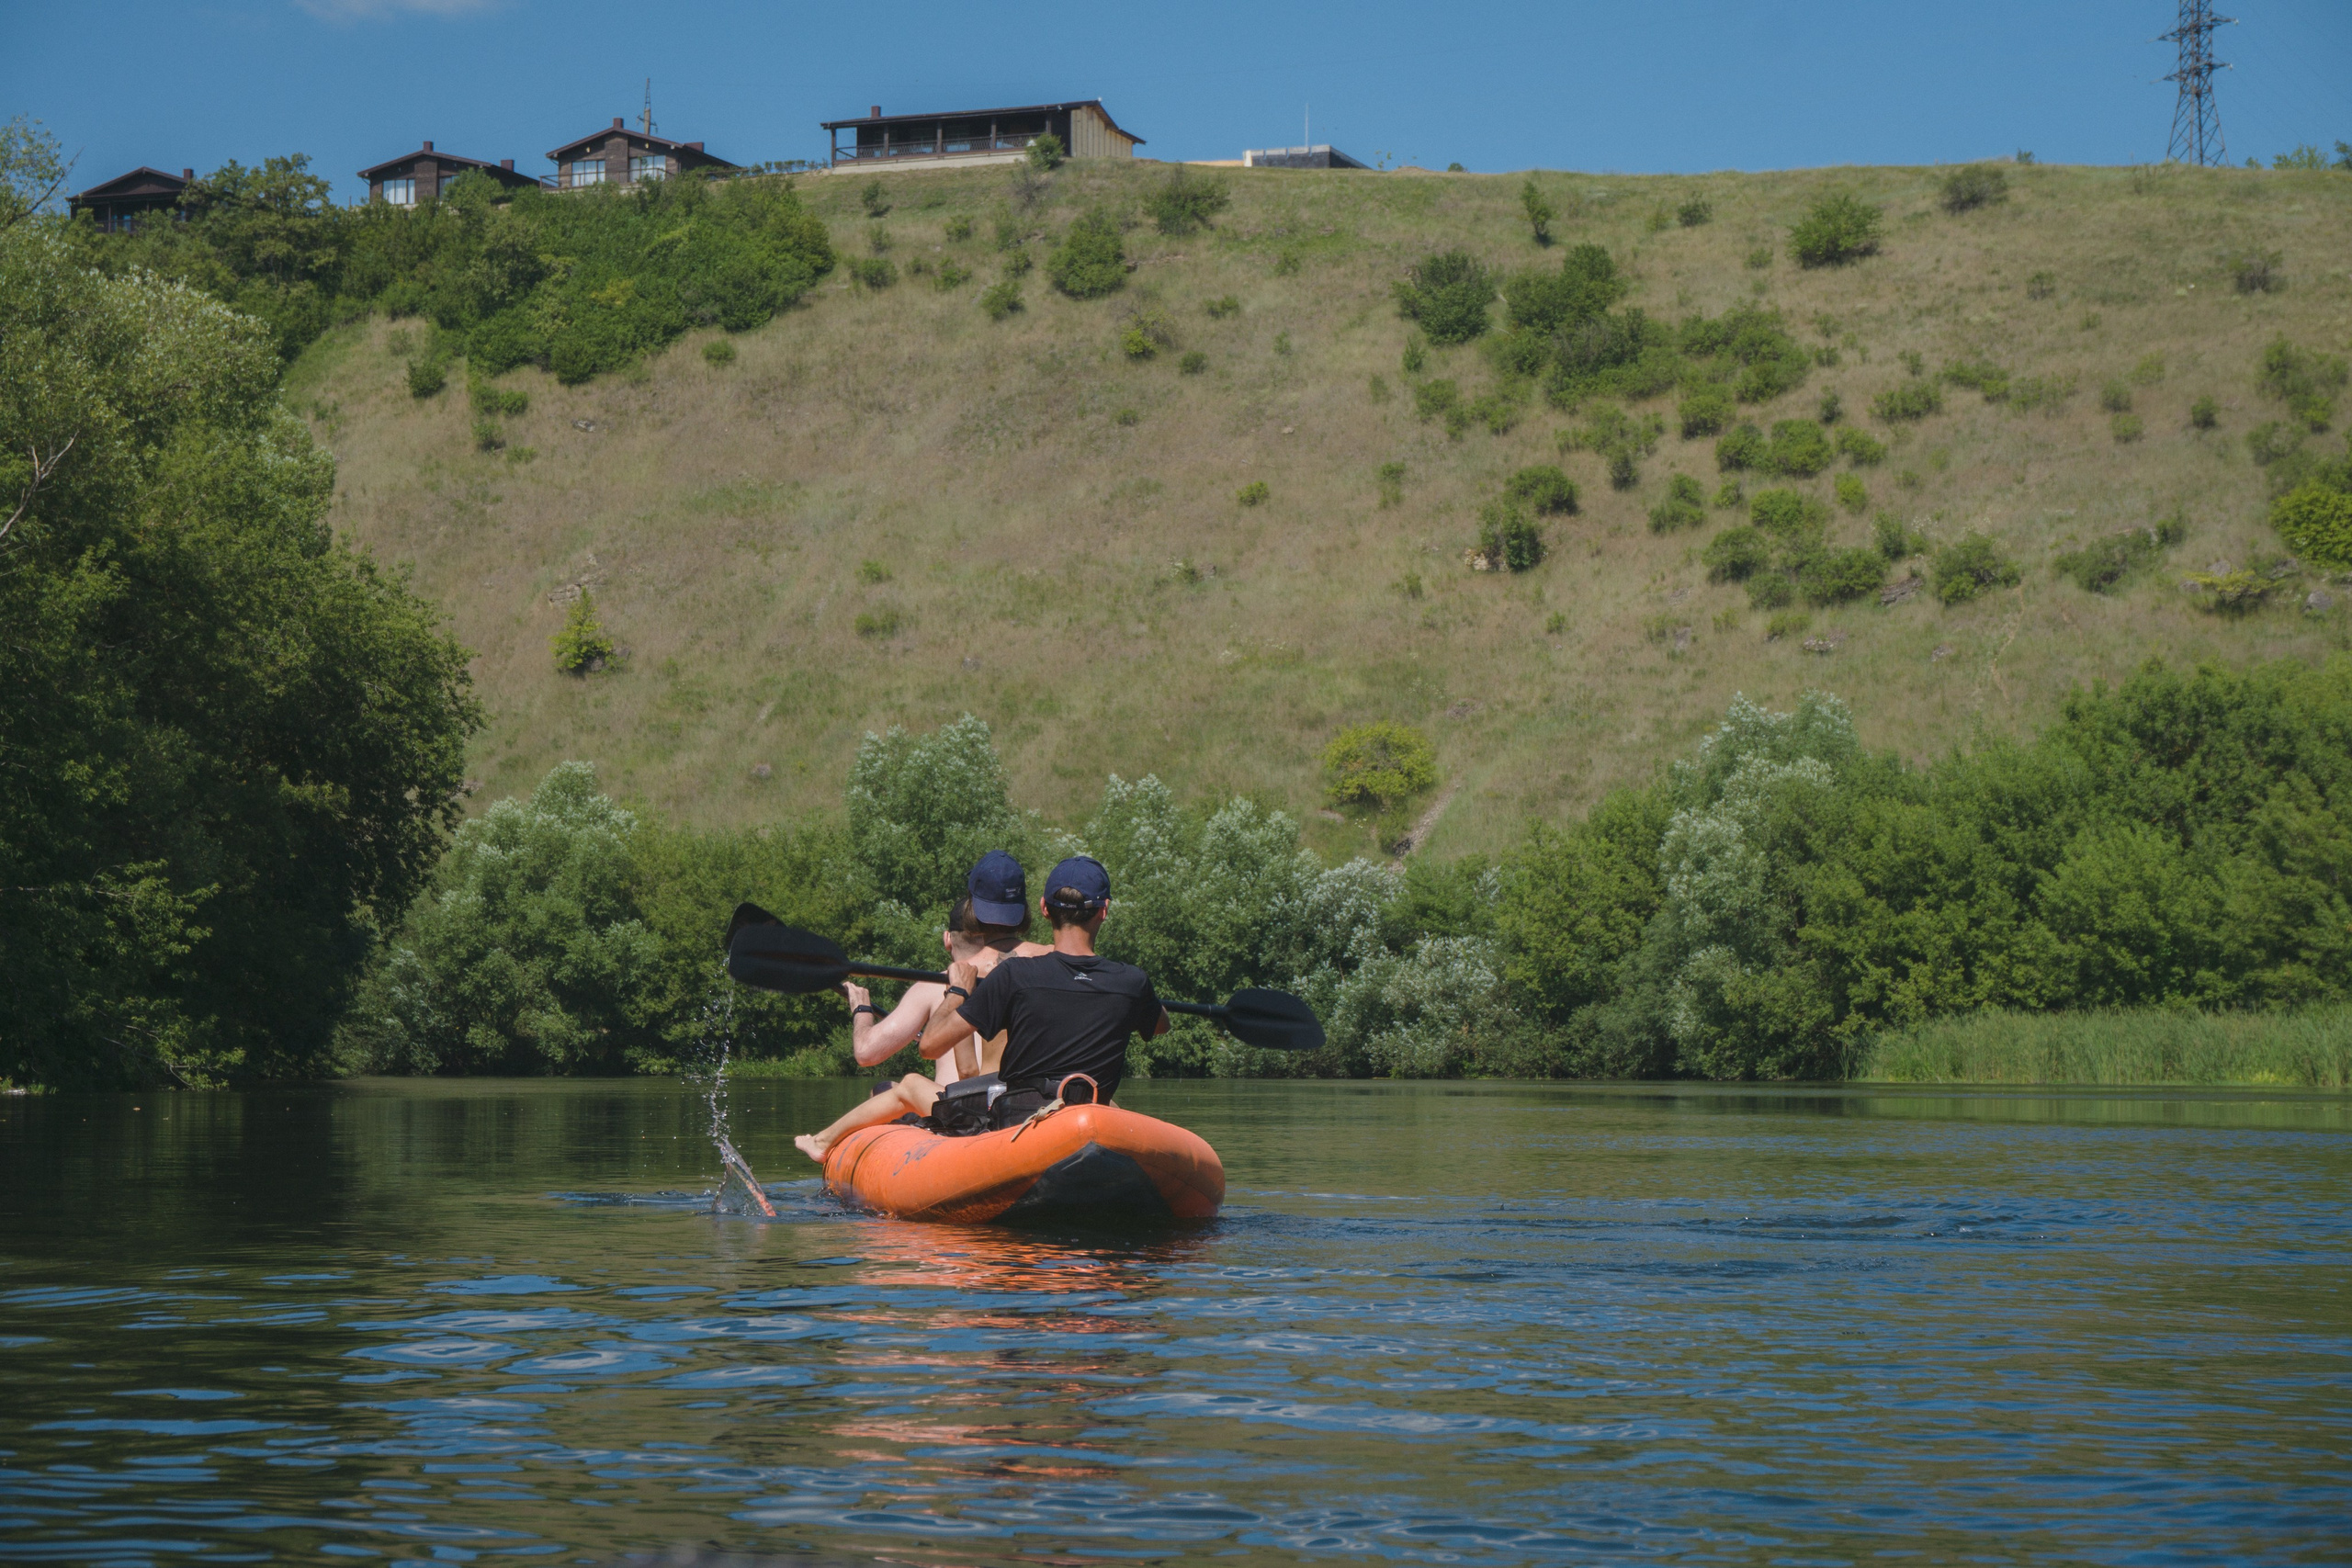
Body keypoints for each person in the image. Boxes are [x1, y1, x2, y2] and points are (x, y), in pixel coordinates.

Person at [793, 853, 1047, 1163]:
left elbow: (870, 1054)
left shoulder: (955, 983)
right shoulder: (1054, 964)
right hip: (1039, 1103)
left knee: (898, 1086)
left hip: (985, 1109)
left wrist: (863, 1009)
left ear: (952, 935)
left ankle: (822, 1141)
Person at [919, 854, 1170, 1128]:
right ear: (1104, 910)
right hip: (1092, 1126)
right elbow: (1161, 1026)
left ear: (1044, 908)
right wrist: (1137, 996)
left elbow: (930, 1046)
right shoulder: (1132, 982)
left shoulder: (1013, 975)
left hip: (1023, 1127)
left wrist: (957, 991)